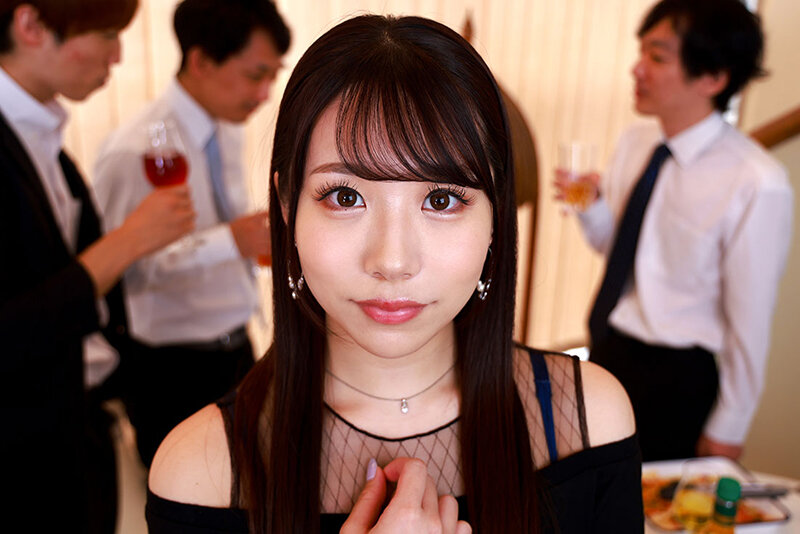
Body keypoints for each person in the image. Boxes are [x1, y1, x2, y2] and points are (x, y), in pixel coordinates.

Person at [146, 15, 643, 533]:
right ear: (288, 207)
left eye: (442, 200)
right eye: (345, 197)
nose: (392, 261)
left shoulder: (588, 418)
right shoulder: (200, 471)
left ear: (496, 217)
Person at [556, 0, 793, 462]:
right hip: (610, 349)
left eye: (658, 56)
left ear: (713, 78)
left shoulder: (756, 182)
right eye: (641, 51)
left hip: (677, 380)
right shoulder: (636, 141)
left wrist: (730, 426)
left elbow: (750, 320)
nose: (636, 69)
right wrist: (593, 206)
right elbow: (621, 253)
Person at [0, 1, 195, 532]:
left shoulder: (45, 142)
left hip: (78, 430)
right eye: (107, 34)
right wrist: (128, 242)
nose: (118, 55)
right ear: (31, 26)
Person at [92, 0, 290, 468]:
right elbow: (124, 268)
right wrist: (231, 241)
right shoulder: (138, 149)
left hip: (237, 346)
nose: (265, 94)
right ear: (200, 61)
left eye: (272, 76)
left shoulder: (227, 126)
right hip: (171, 369)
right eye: (255, 75)